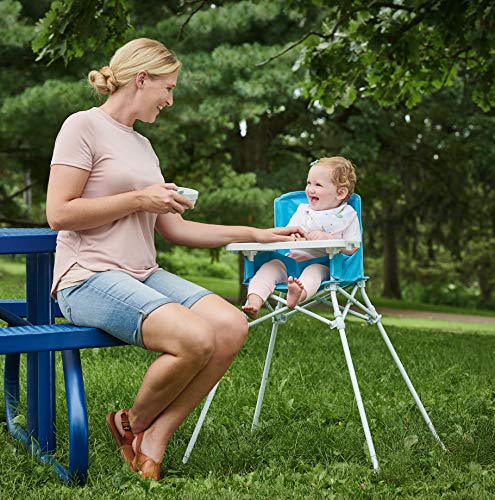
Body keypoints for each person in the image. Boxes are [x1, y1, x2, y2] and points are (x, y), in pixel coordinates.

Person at [45, 38, 305, 481]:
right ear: (141, 78)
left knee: (230, 326)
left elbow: (176, 230)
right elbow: (59, 213)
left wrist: (258, 234)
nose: (170, 99)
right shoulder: (81, 126)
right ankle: (131, 424)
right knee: (195, 338)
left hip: (143, 274)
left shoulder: (144, 148)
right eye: (168, 87)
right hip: (86, 276)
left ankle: (154, 435)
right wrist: (138, 198)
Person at [242, 156, 361, 320]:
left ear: (340, 193)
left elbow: (353, 247)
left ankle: (298, 295)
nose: (310, 189)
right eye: (308, 183)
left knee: (313, 273)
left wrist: (327, 238)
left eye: (318, 185)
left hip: (324, 264)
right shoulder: (303, 210)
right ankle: (254, 302)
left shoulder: (347, 215)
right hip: (292, 260)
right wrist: (294, 236)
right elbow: (287, 233)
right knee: (269, 267)